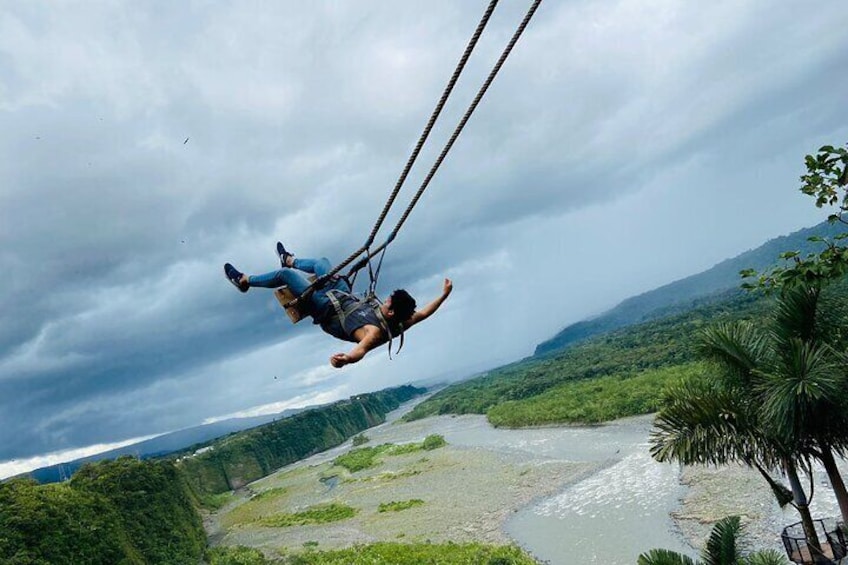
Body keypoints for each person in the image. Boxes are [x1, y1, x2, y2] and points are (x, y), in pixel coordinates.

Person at [224, 242, 453, 368]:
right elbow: (423, 313)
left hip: (325, 307)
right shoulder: (403, 320)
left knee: (285, 276)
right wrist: (443, 295)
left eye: (388, 302)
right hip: (342, 295)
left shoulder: (374, 332)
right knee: (323, 263)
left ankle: (245, 281)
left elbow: (361, 350)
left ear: (391, 312)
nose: (384, 301)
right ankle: (290, 259)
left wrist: (344, 360)